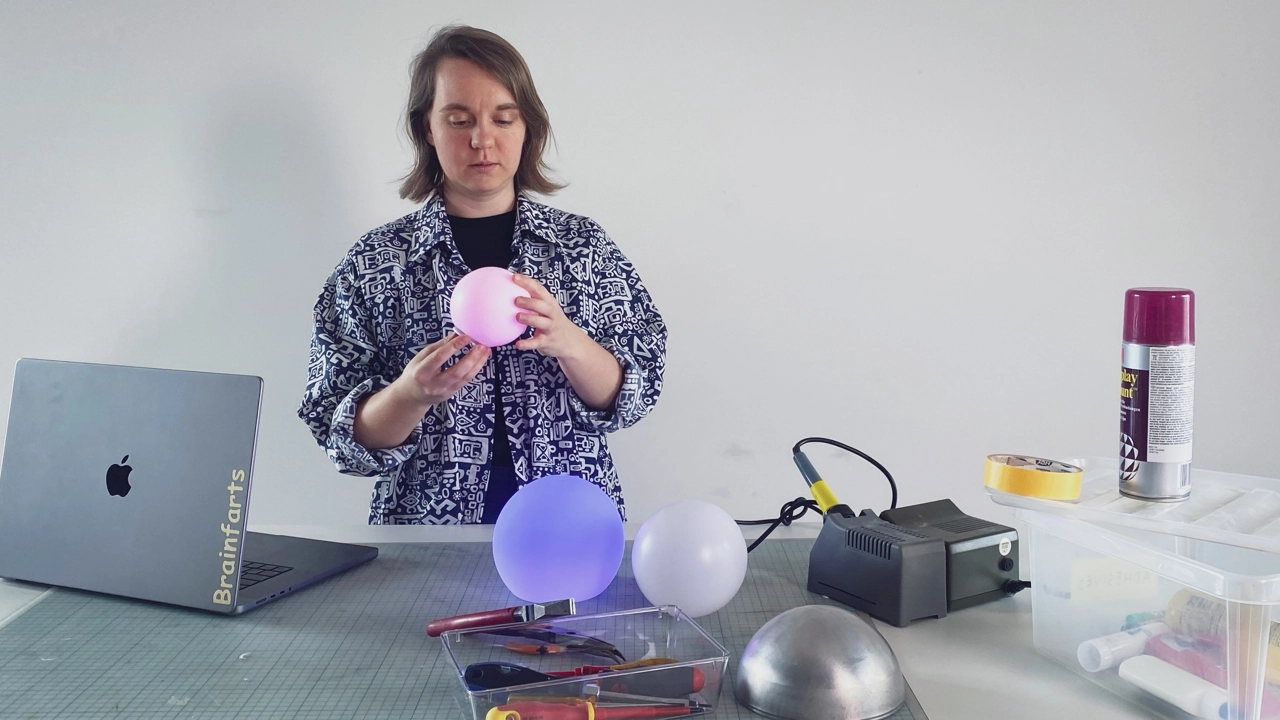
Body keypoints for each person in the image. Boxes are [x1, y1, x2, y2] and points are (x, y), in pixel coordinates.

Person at [298, 25, 667, 525]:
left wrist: (569, 341)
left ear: (526, 127)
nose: (481, 140)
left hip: (568, 524)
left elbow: (636, 392)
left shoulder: (580, 248)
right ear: (427, 128)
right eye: (458, 119)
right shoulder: (376, 263)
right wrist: (410, 395)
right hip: (427, 534)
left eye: (503, 117)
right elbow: (336, 429)